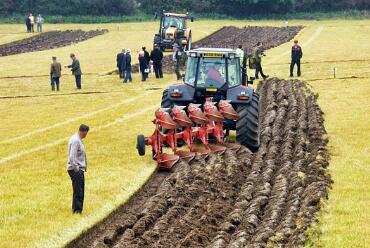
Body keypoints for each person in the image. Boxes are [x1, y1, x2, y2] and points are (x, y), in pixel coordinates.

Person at [67, 124, 89, 214]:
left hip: (78, 169)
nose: (86, 135)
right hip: (75, 169)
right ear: (83, 131)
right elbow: (72, 157)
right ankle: (77, 211)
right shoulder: (76, 140)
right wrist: (77, 169)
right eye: (86, 133)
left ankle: (78, 209)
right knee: (78, 191)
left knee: (80, 189)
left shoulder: (78, 139)